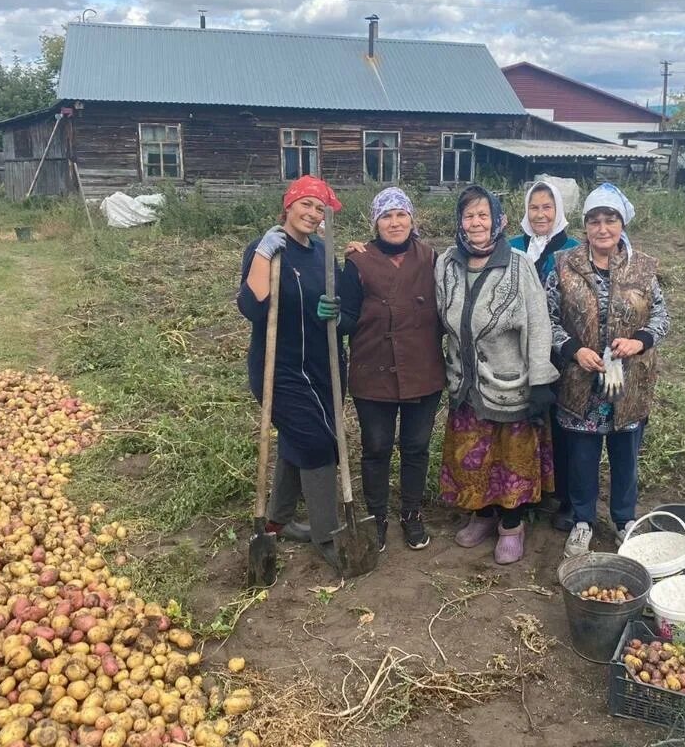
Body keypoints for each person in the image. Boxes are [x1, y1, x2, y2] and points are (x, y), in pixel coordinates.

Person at [545, 183, 671, 558]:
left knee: (625, 454)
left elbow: (663, 315)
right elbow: (546, 318)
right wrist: (572, 350)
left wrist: (640, 341)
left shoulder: (644, 267)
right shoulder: (565, 265)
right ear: (585, 227)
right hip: (581, 380)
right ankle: (583, 521)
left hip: (628, 381)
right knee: (582, 456)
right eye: (594, 221)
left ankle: (623, 521)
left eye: (610, 220)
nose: (602, 229)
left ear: (622, 223)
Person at [436, 184, 559, 565]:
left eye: (483, 215)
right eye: (469, 215)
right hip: (465, 383)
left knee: (511, 458)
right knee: (472, 456)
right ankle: (483, 516)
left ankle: (511, 525)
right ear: (460, 221)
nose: (476, 223)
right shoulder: (446, 263)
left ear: (498, 221)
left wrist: (540, 379)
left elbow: (538, 325)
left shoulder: (518, 263)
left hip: (510, 383)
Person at [237, 175, 346, 570]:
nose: (314, 214)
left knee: (303, 439)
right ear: (289, 206)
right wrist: (264, 255)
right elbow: (252, 307)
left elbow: (333, 300)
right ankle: (328, 534)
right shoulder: (266, 249)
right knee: (317, 443)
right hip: (278, 370)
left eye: (320, 209)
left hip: (320, 365)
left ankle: (277, 520)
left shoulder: (321, 251)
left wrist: (331, 311)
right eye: (307, 205)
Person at [338, 187, 444, 552]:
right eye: (386, 216)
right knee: (377, 447)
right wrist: (332, 317)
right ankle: (377, 516)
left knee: (416, 446)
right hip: (373, 370)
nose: (394, 222)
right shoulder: (358, 261)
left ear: (412, 219)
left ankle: (411, 514)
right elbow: (348, 319)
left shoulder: (431, 258)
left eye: (401, 214)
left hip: (422, 369)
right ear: (376, 222)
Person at [510, 179, 580, 533]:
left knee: (562, 424)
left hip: (560, 352)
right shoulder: (510, 247)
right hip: (515, 351)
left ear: (559, 211)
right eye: (534, 207)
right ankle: (528, 493)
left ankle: (565, 497)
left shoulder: (572, 250)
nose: (540, 214)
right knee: (524, 422)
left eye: (547, 207)